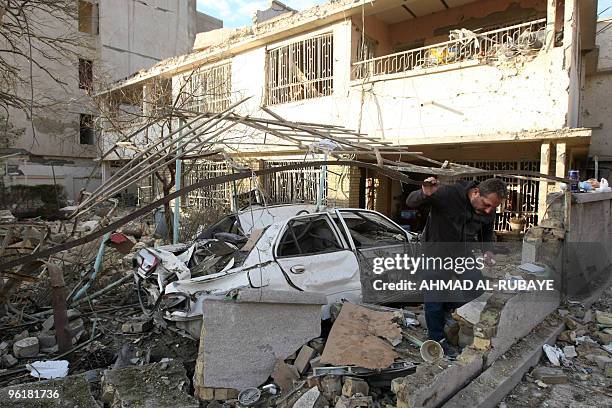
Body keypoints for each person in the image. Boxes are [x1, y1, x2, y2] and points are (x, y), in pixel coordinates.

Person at [406, 177, 508, 357]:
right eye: (486, 205)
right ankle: (438, 340)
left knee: (476, 287)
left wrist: (487, 251)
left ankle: (445, 307)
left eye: (493, 207)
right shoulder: (448, 194)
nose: (489, 210)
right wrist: (424, 193)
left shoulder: (488, 209)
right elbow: (411, 201)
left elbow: (486, 229)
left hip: (461, 254)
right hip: (435, 253)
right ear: (476, 192)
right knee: (433, 299)